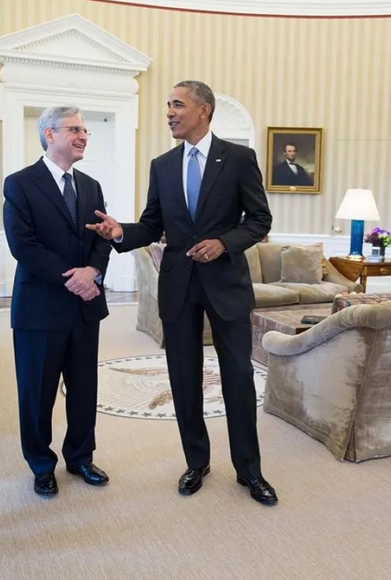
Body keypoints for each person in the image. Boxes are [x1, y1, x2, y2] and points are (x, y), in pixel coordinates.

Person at [86, 80, 278, 506]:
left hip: (226, 285)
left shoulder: (238, 158)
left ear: (204, 110)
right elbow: (152, 224)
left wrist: (224, 242)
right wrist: (120, 233)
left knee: (238, 377)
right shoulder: (163, 165)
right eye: (168, 105)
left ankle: (250, 471)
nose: (170, 113)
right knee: (183, 377)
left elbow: (259, 219)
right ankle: (196, 462)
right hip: (178, 284)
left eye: (178, 105)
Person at [3, 106, 112, 498]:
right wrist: (75, 278)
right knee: (37, 393)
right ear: (49, 134)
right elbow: (23, 246)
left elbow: (102, 237)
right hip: (40, 308)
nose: (83, 136)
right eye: (74, 129)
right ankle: (40, 464)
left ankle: (81, 457)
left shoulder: (92, 186)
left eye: (85, 130)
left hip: (84, 309)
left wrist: (93, 271)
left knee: (84, 388)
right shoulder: (20, 184)